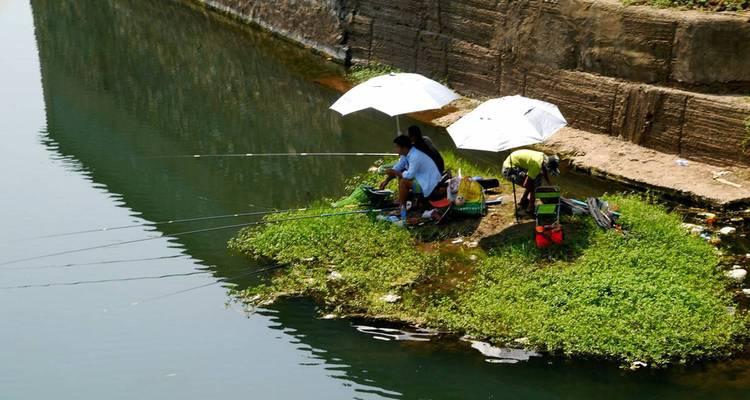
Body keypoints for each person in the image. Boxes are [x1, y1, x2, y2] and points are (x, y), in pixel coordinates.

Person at [379, 135, 442, 209]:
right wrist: (386, 181)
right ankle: (402, 199)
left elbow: (409, 175)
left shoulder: (415, 156)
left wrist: (395, 172)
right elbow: (397, 168)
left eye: (396, 147)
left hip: (429, 184)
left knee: (404, 182)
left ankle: (402, 208)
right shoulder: (405, 155)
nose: (395, 150)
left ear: (404, 148)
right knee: (401, 172)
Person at [501, 149, 560, 215]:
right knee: (533, 186)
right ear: (547, 165)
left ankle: (523, 201)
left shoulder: (544, 158)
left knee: (537, 179)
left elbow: (544, 171)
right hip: (509, 169)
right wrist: (536, 192)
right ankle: (530, 208)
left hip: (519, 165)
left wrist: (550, 186)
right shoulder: (537, 165)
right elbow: (527, 183)